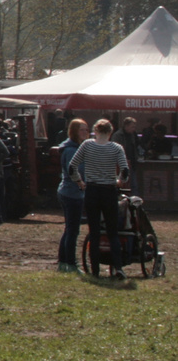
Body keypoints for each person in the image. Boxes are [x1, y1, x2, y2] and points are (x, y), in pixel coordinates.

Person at [69, 119, 130, 278]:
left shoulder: (87, 145)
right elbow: (125, 170)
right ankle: (118, 268)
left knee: (94, 232)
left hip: (92, 190)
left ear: (95, 131)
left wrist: (80, 182)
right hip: (109, 190)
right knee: (112, 232)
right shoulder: (116, 148)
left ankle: (95, 270)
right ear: (110, 132)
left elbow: (72, 166)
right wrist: (119, 181)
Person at [56, 118, 88, 273]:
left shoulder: (74, 147)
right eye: (82, 130)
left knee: (69, 229)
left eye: (87, 129)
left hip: (68, 191)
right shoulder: (72, 150)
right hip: (72, 193)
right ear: (74, 131)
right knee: (73, 230)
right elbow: (76, 170)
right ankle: (71, 263)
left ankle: (63, 261)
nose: (86, 133)